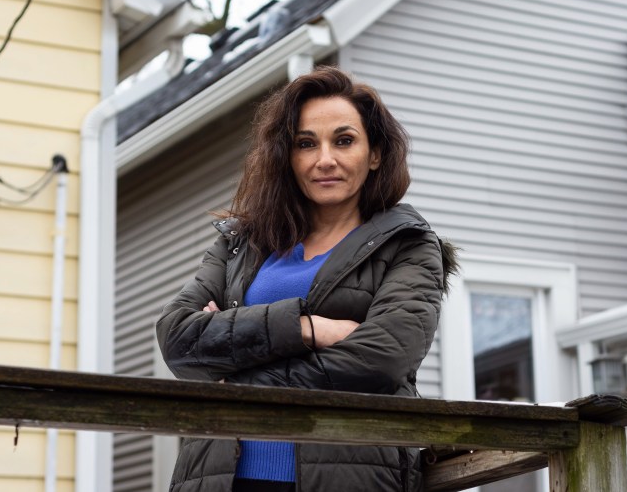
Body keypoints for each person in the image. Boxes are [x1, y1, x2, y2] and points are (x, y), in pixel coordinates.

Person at [156, 66, 457, 492]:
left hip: (348, 477)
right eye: (305, 144)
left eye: (344, 140)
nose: (325, 159)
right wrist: (308, 328)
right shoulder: (243, 243)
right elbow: (178, 338)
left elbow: (383, 359)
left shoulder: (407, 245)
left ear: (374, 155)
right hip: (217, 478)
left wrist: (238, 375)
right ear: (287, 157)